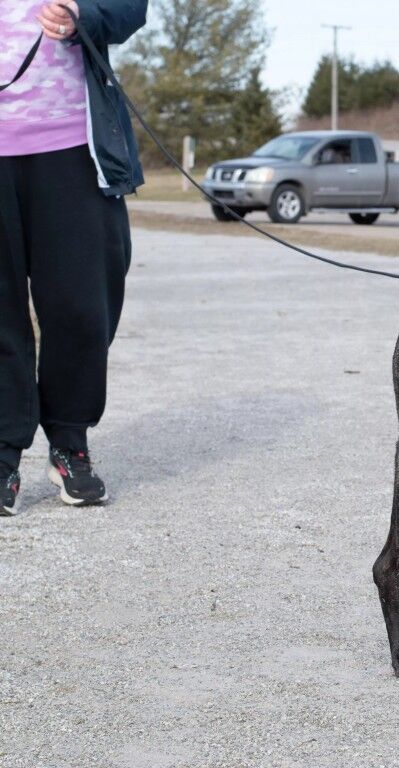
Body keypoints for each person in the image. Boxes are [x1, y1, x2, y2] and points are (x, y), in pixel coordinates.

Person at [0, 0, 147, 514]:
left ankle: (69, 441)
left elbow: (130, 7)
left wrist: (85, 12)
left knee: (84, 303)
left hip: (73, 146)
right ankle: (1, 453)